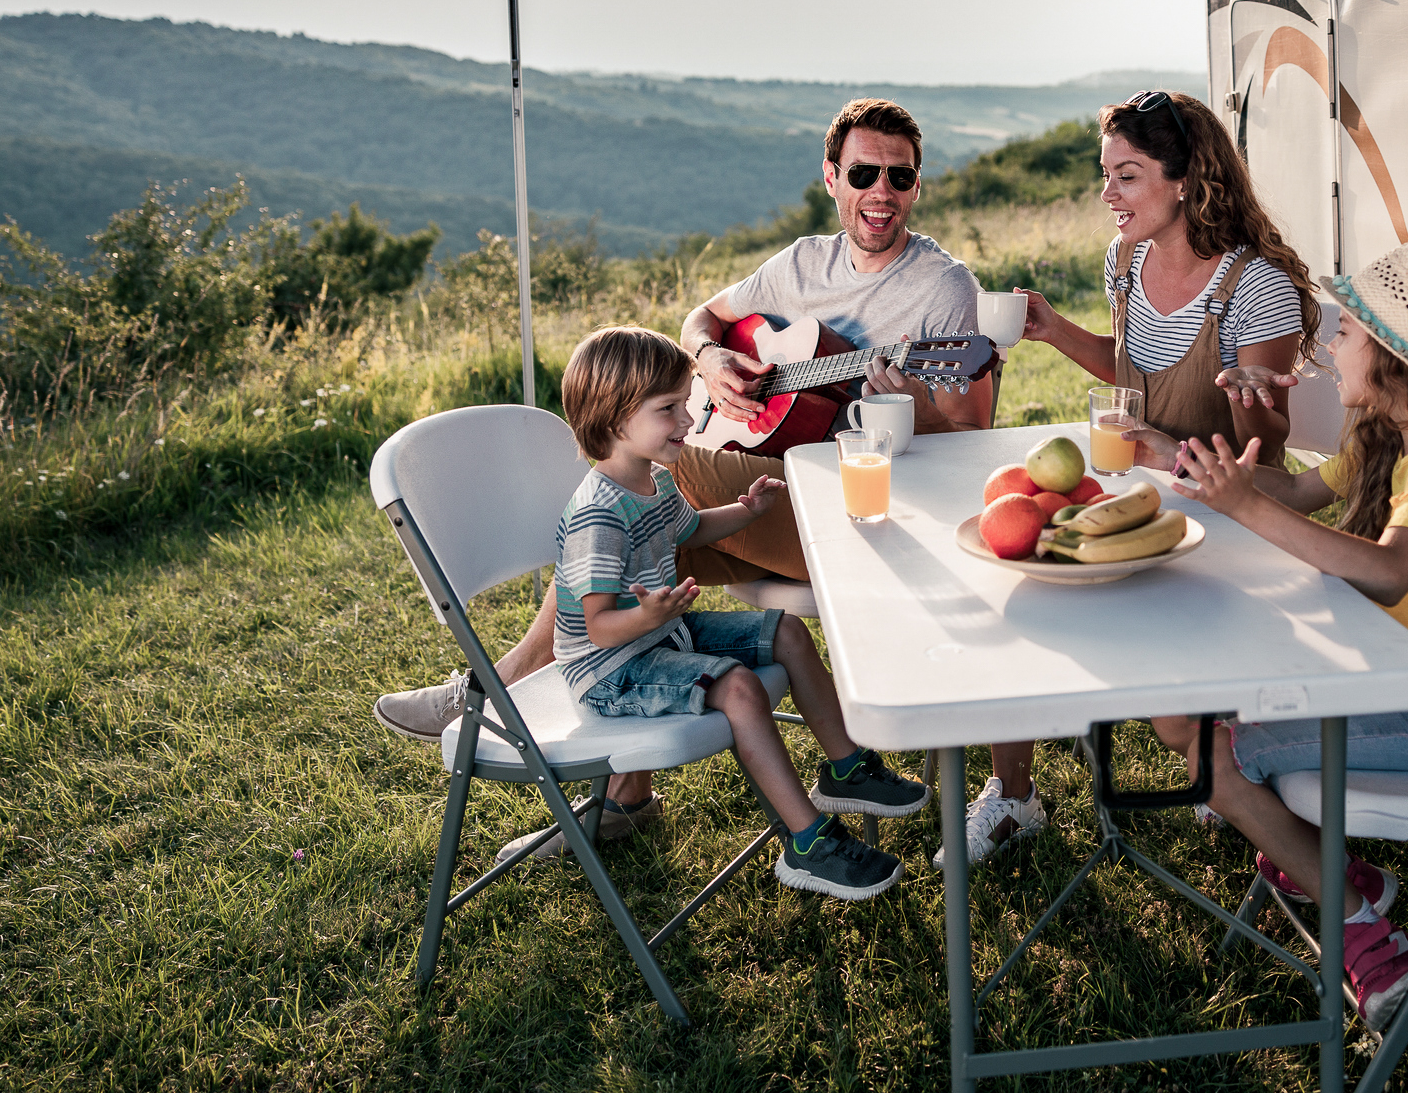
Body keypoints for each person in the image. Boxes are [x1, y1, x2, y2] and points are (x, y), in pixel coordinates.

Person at [374, 98, 987, 854]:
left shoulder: (941, 289)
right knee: (642, 539)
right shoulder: (799, 264)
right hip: (764, 497)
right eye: (864, 172)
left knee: (641, 486)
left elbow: (969, 435)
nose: (882, 191)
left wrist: (908, 401)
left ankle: (480, 692)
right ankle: (623, 795)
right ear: (832, 177)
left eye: (900, 175)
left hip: (865, 514)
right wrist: (710, 358)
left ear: (917, 185)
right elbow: (703, 316)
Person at [1149, 241, 1408, 1032]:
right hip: (1389, 679)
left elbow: (1387, 572)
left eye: (1347, 331)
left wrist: (1242, 508)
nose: (1330, 341)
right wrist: (1185, 459)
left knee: (1212, 751)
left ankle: (1362, 926)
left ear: (1393, 356)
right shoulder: (1397, 436)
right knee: (1183, 718)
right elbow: (1299, 490)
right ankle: (1325, 867)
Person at [941, 90, 1325, 869]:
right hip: (1139, 495)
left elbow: (1264, 449)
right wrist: (1053, 332)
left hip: (1231, 519)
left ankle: (1230, 762)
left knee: (1141, 679)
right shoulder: (1126, 260)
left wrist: (1243, 403)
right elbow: (1128, 373)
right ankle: (1016, 791)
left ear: (1186, 180)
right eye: (1104, 175)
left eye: (1126, 176)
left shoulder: (1255, 288)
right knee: (1012, 597)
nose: (1106, 196)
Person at [549, 324, 927, 898]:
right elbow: (599, 628)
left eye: (683, 404)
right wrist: (648, 617)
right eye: (669, 409)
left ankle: (846, 766)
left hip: (659, 634)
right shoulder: (597, 515)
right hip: (611, 671)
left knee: (789, 634)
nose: (686, 420)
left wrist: (746, 511)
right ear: (615, 419)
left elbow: (694, 528)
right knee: (741, 687)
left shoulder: (653, 479)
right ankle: (807, 842)